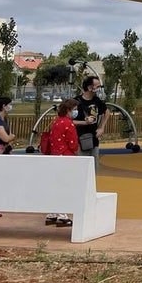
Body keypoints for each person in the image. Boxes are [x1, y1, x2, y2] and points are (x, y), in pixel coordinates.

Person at [45, 98, 81, 227]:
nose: (76, 112)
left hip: (55, 156)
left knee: (56, 185)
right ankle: (62, 215)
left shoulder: (56, 122)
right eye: (74, 109)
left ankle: (52, 213)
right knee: (65, 185)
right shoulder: (68, 124)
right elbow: (73, 143)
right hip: (66, 157)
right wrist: (76, 151)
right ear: (68, 110)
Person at [73, 76, 110, 165]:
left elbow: (107, 112)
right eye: (97, 86)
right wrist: (85, 122)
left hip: (94, 139)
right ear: (90, 88)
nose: (99, 89)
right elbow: (69, 121)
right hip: (80, 140)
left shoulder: (96, 100)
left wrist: (102, 127)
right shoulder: (75, 102)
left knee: (94, 166)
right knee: (81, 165)